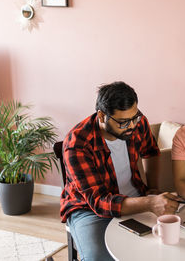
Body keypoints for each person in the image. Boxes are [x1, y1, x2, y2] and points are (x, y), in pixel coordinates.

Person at [60, 81, 178, 261]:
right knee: (98, 258)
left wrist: (153, 189)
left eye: (134, 117)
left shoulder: (137, 122)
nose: (131, 126)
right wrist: (149, 203)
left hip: (135, 197)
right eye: (123, 122)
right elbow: (99, 202)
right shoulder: (78, 143)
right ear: (101, 116)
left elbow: (151, 152)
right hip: (89, 210)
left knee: (165, 247)